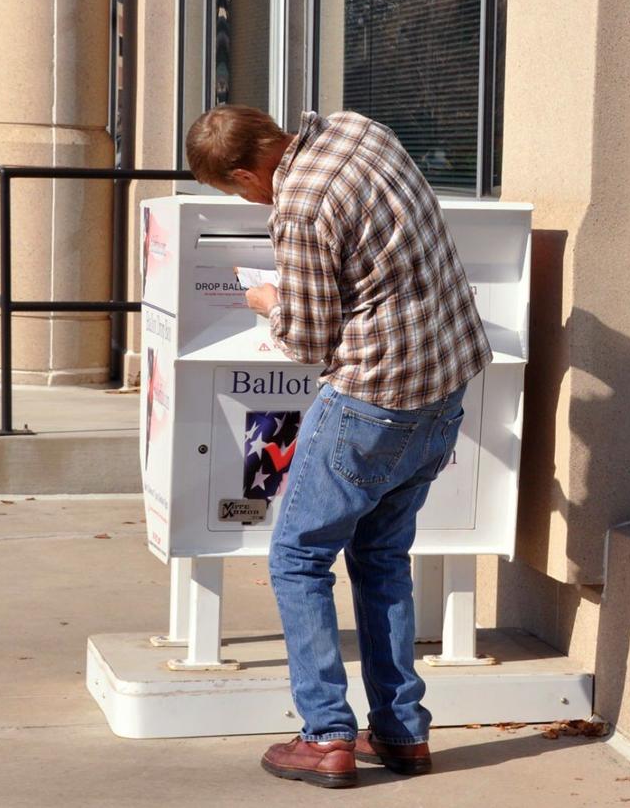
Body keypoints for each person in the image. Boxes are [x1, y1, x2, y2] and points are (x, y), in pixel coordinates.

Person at [184, 105, 492, 788]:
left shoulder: (298, 206)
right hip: (443, 388)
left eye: (238, 190)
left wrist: (269, 299)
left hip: (372, 401)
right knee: (382, 555)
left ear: (243, 170)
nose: (246, 199)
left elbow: (307, 341)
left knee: (297, 556)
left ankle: (326, 734)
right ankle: (404, 731)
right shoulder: (359, 128)